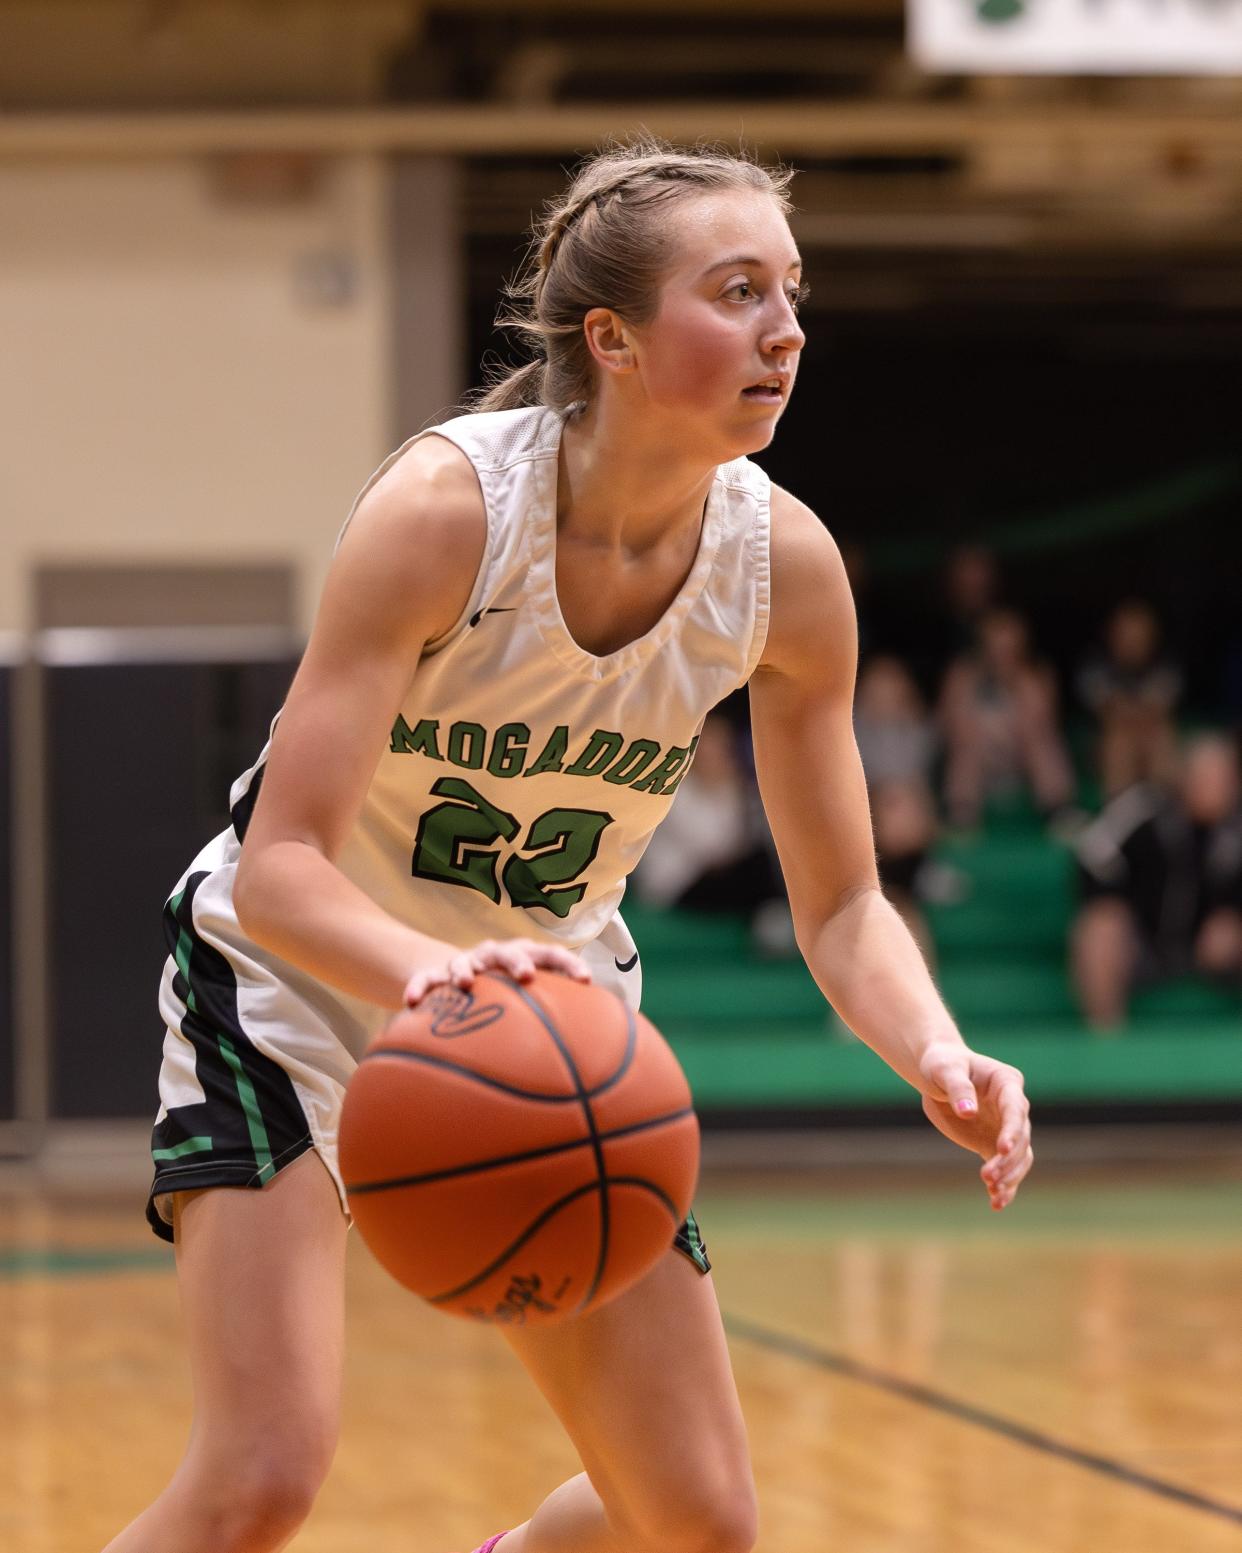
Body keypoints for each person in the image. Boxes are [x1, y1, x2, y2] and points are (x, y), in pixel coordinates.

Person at [104, 138, 1033, 1553]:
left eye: (792, 292)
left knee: (696, 1518)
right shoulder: (443, 515)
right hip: (294, 980)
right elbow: (282, 863)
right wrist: (431, 981)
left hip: (544, 1019)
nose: (784, 330)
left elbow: (843, 906)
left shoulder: (785, 570)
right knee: (260, 1481)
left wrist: (934, 1049)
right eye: (736, 291)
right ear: (610, 335)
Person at [1071, 732, 1242, 1031]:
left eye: (1222, 777)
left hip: (1210, 948)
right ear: (1184, 777)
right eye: (1205, 776)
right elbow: (1094, 853)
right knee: (1101, 926)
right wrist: (1113, 901)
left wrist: (1232, 913)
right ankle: (1107, 1040)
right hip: (1143, 945)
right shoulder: (1144, 809)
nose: (1214, 786)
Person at [939, 606, 1076, 832]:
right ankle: (961, 812)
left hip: (1022, 762)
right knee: (968, 742)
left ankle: (1058, 809)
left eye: (1008, 647)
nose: (1001, 653)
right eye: (995, 646)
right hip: (979, 760)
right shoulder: (962, 673)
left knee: (1038, 738)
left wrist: (1016, 679)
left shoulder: (1037, 673)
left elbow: (1044, 721)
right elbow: (951, 725)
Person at [1076, 598, 1182, 800]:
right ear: (1112, 635)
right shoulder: (1095, 667)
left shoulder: (1165, 666)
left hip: (1151, 743)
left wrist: (1133, 714)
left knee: (1161, 735)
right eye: (1127, 635)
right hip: (1101, 751)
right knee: (1119, 740)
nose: (1133, 643)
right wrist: (1134, 714)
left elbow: (1157, 711)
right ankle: (1119, 813)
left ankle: (1166, 812)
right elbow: (1110, 712)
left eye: (1139, 636)